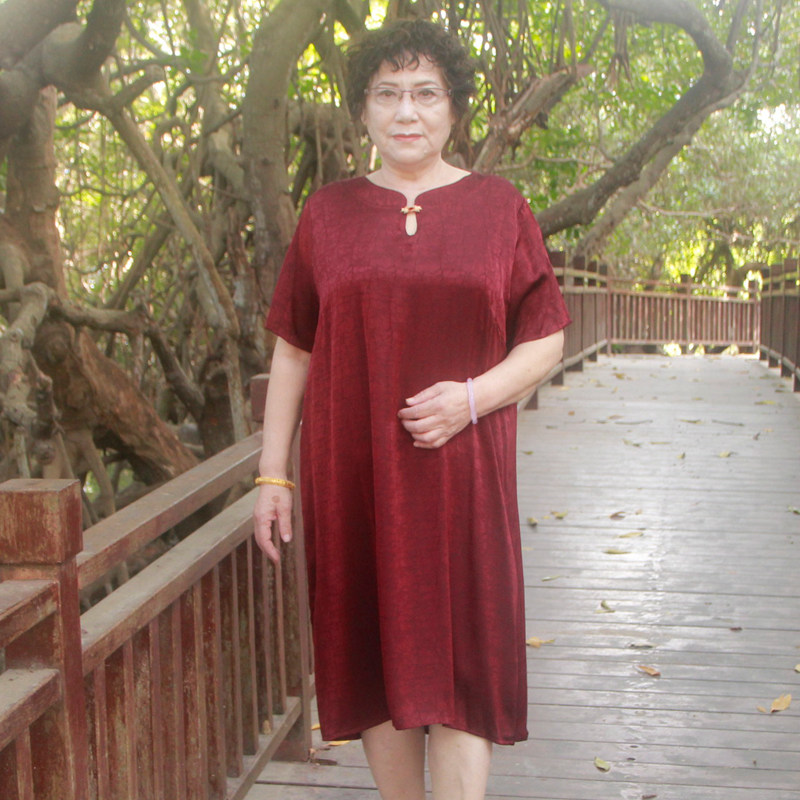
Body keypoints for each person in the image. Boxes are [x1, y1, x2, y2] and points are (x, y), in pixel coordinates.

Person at [253, 18, 570, 800]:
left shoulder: (500, 208)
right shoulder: (327, 215)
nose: (406, 111)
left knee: (464, 660)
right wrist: (272, 476)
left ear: (453, 107)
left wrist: (473, 399)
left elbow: (546, 336)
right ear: (362, 109)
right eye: (386, 93)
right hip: (356, 478)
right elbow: (293, 349)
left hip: (465, 480)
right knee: (376, 652)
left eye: (426, 93)